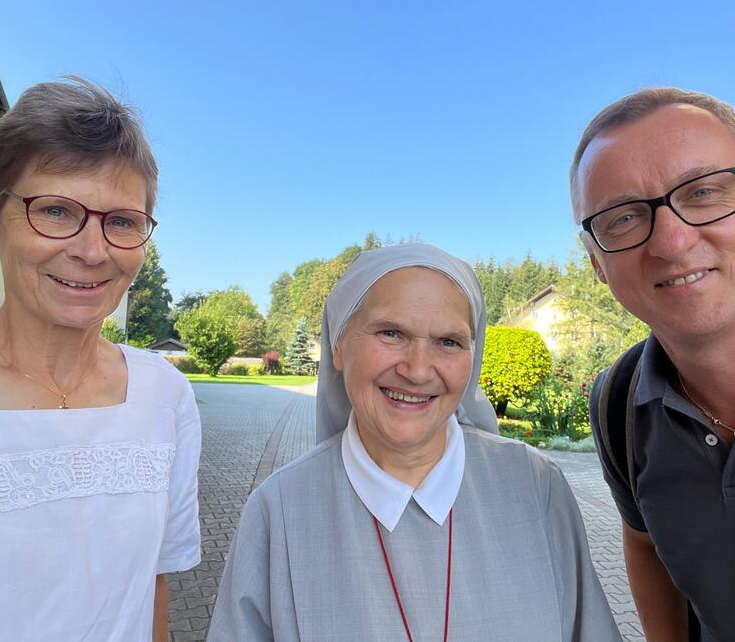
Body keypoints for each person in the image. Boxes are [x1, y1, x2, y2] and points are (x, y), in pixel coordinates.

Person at [208, 243, 619, 641]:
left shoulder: (535, 486)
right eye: (391, 333)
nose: (418, 370)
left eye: (449, 342)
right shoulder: (279, 509)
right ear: (337, 344)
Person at [0, 78, 201, 641]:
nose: (91, 250)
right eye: (55, 210)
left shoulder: (165, 398)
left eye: (122, 221)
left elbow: (150, 589)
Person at [570, 87, 735, 641]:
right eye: (621, 219)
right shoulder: (618, 401)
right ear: (597, 263)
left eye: (703, 192)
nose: (671, 240)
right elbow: (643, 538)